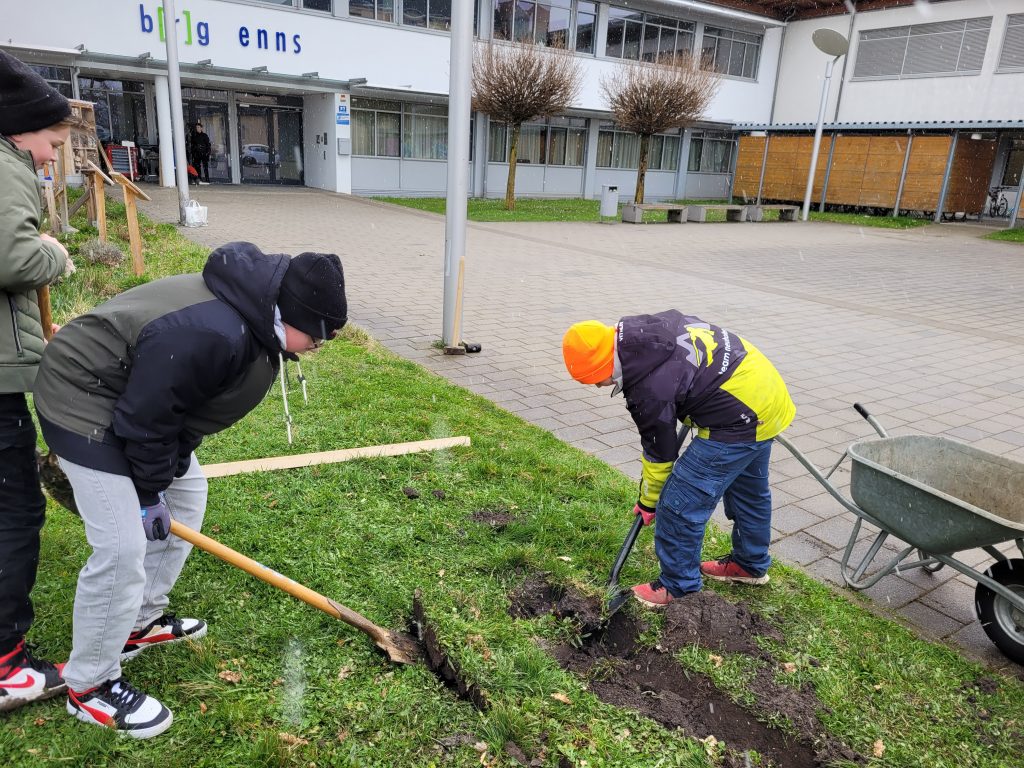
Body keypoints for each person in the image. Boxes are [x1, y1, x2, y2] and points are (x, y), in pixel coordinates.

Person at [33, 241, 347, 737]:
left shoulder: (252, 325)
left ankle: (138, 623)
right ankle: (89, 685)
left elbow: (183, 411)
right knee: (121, 546)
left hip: (131, 396)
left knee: (189, 492)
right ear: (290, 313)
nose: (319, 346)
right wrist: (146, 496)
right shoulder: (213, 331)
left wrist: (166, 479)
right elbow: (148, 418)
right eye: (318, 334)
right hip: (82, 394)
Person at [562, 311, 795, 609]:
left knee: (678, 504)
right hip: (766, 393)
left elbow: (660, 453)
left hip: (738, 417)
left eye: (597, 381)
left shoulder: (647, 389)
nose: (599, 386)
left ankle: (678, 587)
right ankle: (749, 564)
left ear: (605, 366)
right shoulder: (646, 331)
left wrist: (649, 501)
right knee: (748, 493)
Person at [0, 49, 74, 712]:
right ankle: (6, 665)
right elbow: (12, 257)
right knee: (14, 510)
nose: (52, 156)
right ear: (20, 129)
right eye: (52, 141)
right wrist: (53, 253)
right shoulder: (5, 166)